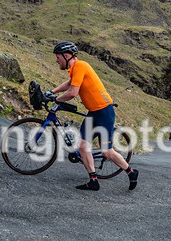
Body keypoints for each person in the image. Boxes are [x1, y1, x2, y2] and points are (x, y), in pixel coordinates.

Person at [46, 41, 138, 191]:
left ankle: (131, 172)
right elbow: (70, 83)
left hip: (104, 112)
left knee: (106, 152)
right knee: (83, 147)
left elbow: (72, 92)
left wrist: (55, 98)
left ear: (67, 55)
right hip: (94, 112)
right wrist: (52, 91)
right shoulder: (75, 69)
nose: (57, 60)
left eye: (58, 57)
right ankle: (93, 181)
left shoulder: (81, 65)